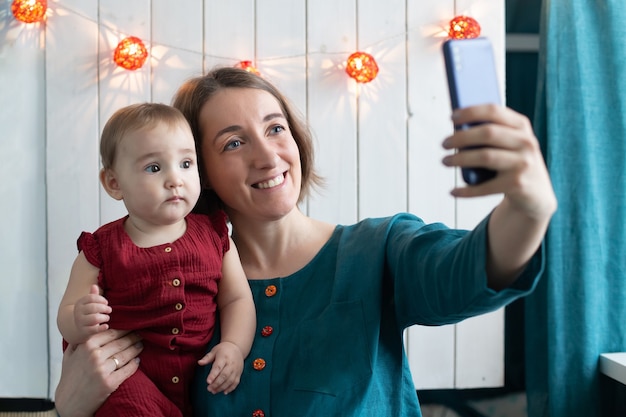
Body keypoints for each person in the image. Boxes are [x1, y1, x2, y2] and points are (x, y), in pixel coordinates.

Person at [54, 67, 557, 417]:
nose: (268, 155)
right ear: (199, 174)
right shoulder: (168, 294)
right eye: (233, 142)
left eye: (275, 128)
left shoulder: (377, 248)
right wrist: (70, 408)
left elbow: (466, 272)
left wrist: (528, 209)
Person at [56, 103, 256, 417]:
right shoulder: (102, 249)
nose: (175, 179)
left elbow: (237, 299)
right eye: (154, 168)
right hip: (128, 375)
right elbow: (67, 316)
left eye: (186, 163)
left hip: (194, 376)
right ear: (114, 183)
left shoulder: (215, 236)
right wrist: (79, 319)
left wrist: (234, 346)